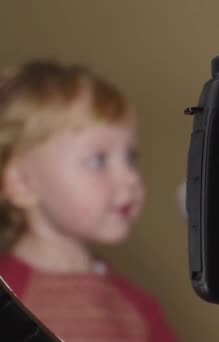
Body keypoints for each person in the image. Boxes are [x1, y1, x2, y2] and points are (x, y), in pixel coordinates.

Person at [0, 60, 177, 341]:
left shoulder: (140, 308)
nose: (130, 178)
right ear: (22, 183)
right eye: (98, 160)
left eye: (130, 157)